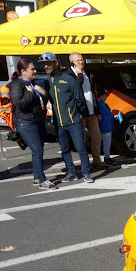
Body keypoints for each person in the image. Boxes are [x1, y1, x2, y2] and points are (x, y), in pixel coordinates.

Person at [40, 52, 94, 183]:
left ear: (56, 63)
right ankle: (71, 172)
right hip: (59, 123)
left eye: (49, 63)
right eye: (44, 64)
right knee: (64, 150)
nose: (46, 66)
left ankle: (86, 173)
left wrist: (78, 114)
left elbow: (80, 99)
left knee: (80, 148)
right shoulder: (47, 81)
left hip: (74, 121)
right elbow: (47, 98)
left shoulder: (69, 79)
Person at [10, 58, 56, 190]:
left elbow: (42, 100)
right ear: (23, 71)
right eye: (32, 69)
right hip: (26, 122)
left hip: (38, 121)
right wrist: (30, 94)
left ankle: (37, 177)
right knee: (37, 150)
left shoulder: (33, 83)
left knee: (38, 150)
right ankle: (42, 179)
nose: (35, 71)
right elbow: (19, 103)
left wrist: (43, 93)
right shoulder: (17, 85)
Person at [67, 52, 106, 170]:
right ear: (72, 62)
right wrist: (79, 76)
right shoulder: (69, 74)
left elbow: (92, 93)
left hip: (91, 112)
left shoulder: (86, 73)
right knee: (81, 140)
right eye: (78, 60)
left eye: (82, 60)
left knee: (97, 137)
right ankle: (85, 164)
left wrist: (97, 111)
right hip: (79, 113)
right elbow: (75, 89)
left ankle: (97, 160)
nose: (81, 62)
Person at [98, 93, 116, 165]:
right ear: (101, 96)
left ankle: (106, 157)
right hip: (105, 126)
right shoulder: (103, 105)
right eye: (104, 95)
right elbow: (109, 115)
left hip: (105, 125)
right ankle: (107, 157)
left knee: (105, 143)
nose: (106, 97)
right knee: (107, 143)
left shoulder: (102, 105)